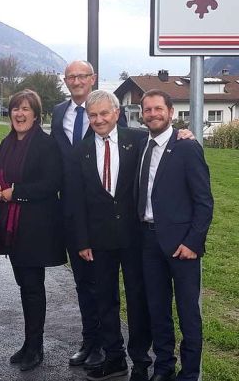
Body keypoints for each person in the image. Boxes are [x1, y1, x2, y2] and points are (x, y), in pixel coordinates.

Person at [69, 90, 153, 381]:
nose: (99, 119)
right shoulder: (81, 151)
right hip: (98, 240)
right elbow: (75, 199)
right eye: (93, 115)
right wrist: (81, 240)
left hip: (134, 237)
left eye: (104, 113)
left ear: (117, 113)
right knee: (104, 300)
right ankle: (114, 357)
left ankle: (141, 361)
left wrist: (185, 135)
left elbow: (167, 143)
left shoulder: (139, 141)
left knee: (137, 299)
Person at [51, 60, 125, 368]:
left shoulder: (107, 109)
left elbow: (140, 138)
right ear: (65, 81)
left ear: (92, 78)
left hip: (105, 214)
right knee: (83, 282)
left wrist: (182, 134)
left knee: (104, 284)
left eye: (83, 75)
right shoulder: (58, 113)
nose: (77, 81)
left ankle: (110, 346)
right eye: (71, 77)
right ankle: (90, 340)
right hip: (72, 209)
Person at [137, 90, 214, 381]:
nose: (153, 114)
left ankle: (190, 374)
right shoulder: (142, 144)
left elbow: (204, 201)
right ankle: (164, 367)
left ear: (170, 112)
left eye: (158, 108)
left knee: (188, 315)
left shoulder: (186, 146)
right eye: (148, 110)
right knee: (157, 311)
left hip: (182, 246)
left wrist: (193, 242)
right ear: (142, 114)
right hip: (148, 242)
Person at [0, 90, 67, 372]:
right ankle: (28, 342)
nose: (19, 114)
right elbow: (0, 176)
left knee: (34, 288)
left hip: (36, 228)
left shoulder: (46, 145)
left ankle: (36, 347)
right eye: (15, 109)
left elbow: (51, 184)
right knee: (25, 287)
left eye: (25, 109)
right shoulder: (7, 143)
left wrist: (16, 193)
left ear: (36, 114)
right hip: (13, 228)